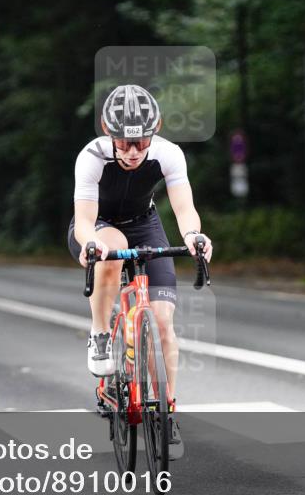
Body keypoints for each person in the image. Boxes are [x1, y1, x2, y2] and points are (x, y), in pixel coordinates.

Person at [68, 84, 213, 459]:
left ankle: (166, 415)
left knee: (163, 323)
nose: (132, 152)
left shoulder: (168, 154)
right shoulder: (92, 157)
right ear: (106, 129)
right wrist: (91, 243)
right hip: (99, 226)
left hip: (144, 223)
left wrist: (195, 236)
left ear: (157, 128)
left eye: (141, 142)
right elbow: (83, 220)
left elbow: (184, 209)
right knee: (112, 252)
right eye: (123, 143)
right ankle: (100, 333)